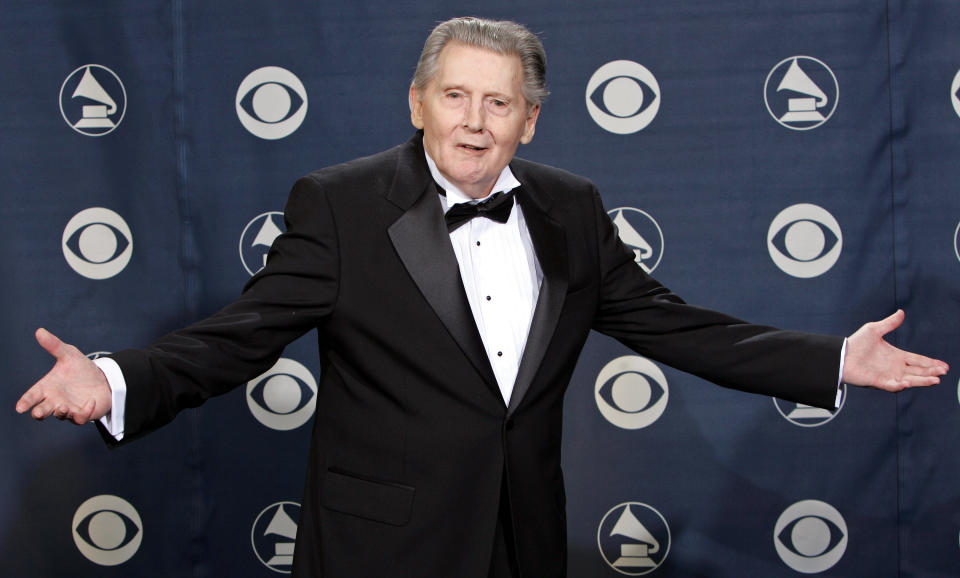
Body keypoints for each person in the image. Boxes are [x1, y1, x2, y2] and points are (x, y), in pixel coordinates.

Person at [16, 16, 948, 578]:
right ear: (418, 102)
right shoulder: (338, 204)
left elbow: (675, 326)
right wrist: (116, 378)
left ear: (529, 117)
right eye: (455, 96)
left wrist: (830, 359)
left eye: (498, 102)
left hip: (520, 539)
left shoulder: (571, 209)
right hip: (383, 549)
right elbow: (239, 337)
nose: (474, 120)